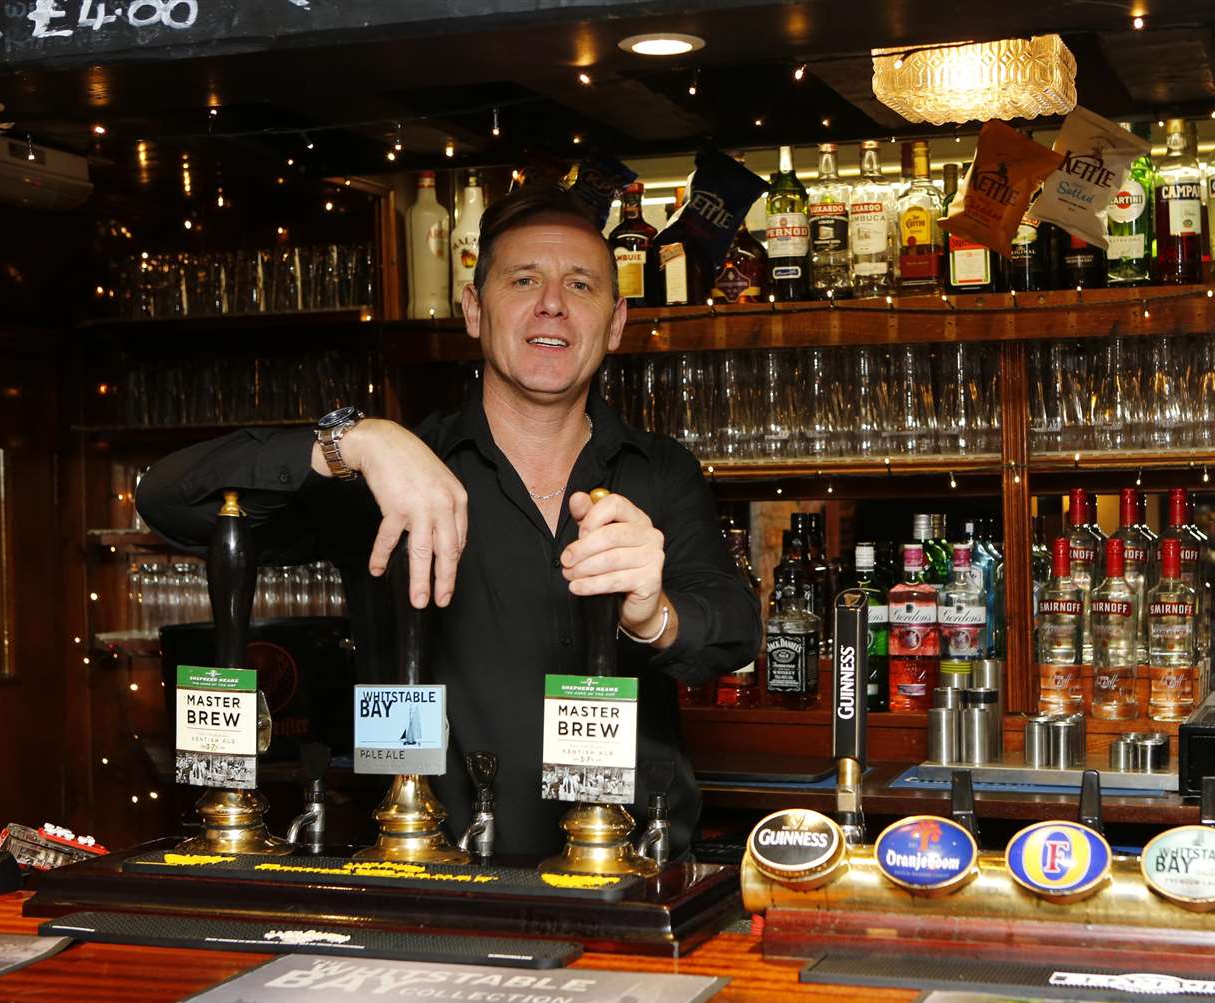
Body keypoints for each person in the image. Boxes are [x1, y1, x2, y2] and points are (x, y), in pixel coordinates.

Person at [137, 184, 760, 857]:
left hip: (632, 873)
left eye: (580, 285)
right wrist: (350, 441)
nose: (552, 301)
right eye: (524, 279)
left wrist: (654, 615)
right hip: (426, 869)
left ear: (614, 321)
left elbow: (736, 630)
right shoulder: (391, 475)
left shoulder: (659, 472)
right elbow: (169, 500)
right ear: (472, 309)